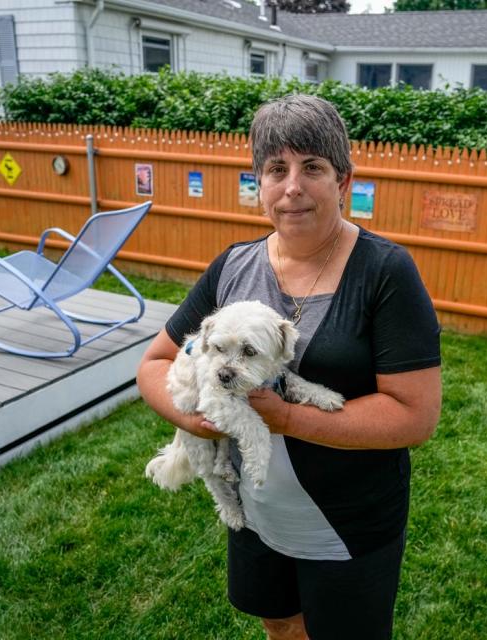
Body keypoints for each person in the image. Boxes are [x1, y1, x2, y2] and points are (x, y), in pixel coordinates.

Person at [136, 94, 442, 640]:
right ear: (259, 182)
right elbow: (156, 363)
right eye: (276, 169)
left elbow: (414, 417)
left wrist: (287, 419)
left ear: (344, 180)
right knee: (278, 622)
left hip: (347, 521)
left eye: (313, 168)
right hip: (257, 512)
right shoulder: (233, 266)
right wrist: (196, 420)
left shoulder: (386, 272)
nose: (292, 186)